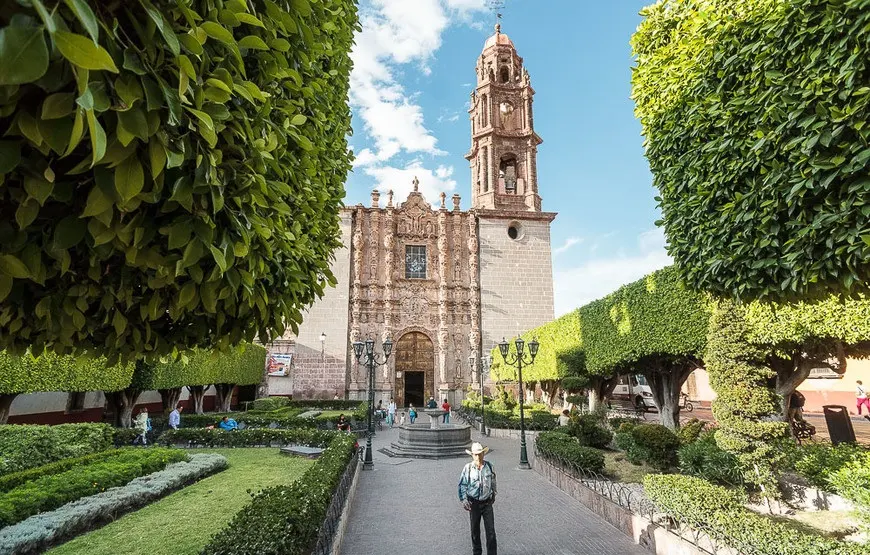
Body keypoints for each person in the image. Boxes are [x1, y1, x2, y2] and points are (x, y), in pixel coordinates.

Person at [458, 442, 497, 555]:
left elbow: (493, 481)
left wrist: (493, 493)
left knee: (491, 533)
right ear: (472, 455)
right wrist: (464, 500)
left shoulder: (489, 466)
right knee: (475, 532)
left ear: (483, 454)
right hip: (473, 504)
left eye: (480, 454)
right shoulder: (468, 468)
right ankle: (477, 552)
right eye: (475, 454)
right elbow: (462, 485)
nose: (478, 457)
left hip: (487, 503)